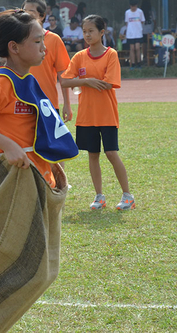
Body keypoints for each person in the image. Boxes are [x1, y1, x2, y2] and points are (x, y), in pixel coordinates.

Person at [0, 9, 78, 189]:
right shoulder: (1, 83)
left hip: (39, 178)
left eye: (43, 40)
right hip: (17, 180)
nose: (44, 48)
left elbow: (36, 132)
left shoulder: (29, 80)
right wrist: (8, 145)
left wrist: (52, 166)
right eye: (37, 41)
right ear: (14, 47)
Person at [60, 15, 134, 211]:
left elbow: (109, 83)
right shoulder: (79, 57)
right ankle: (99, 196)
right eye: (84, 31)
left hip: (106, 113)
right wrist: (86, 81)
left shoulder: (111, 55)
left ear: (102, 32)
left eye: (91, 31)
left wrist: (87, 80)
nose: (87, 35)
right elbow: (65, 81)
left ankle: (128, 195)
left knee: (111, 153)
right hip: (86, 115)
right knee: (93, 155)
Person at [21, 0, 72, 123]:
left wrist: (67, 104)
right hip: (22, 104)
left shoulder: (54, 40)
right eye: (24, 11)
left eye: (31, 12)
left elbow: (63, 74)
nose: (26, 15)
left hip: (48, 103)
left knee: (49, 143)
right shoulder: (16, 40)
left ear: (42, 16)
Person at [125, 0, 145, 68]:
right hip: (130, 34)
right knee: (132, 48)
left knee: (137, 48)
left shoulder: (140, 12)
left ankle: (139, 63)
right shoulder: (127, 12)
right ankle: (133, 63)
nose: (133, 8)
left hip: (138, 33)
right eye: (132, 6)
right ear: (130, 6)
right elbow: (127, 23)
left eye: (135, 6)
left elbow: (142, 21)